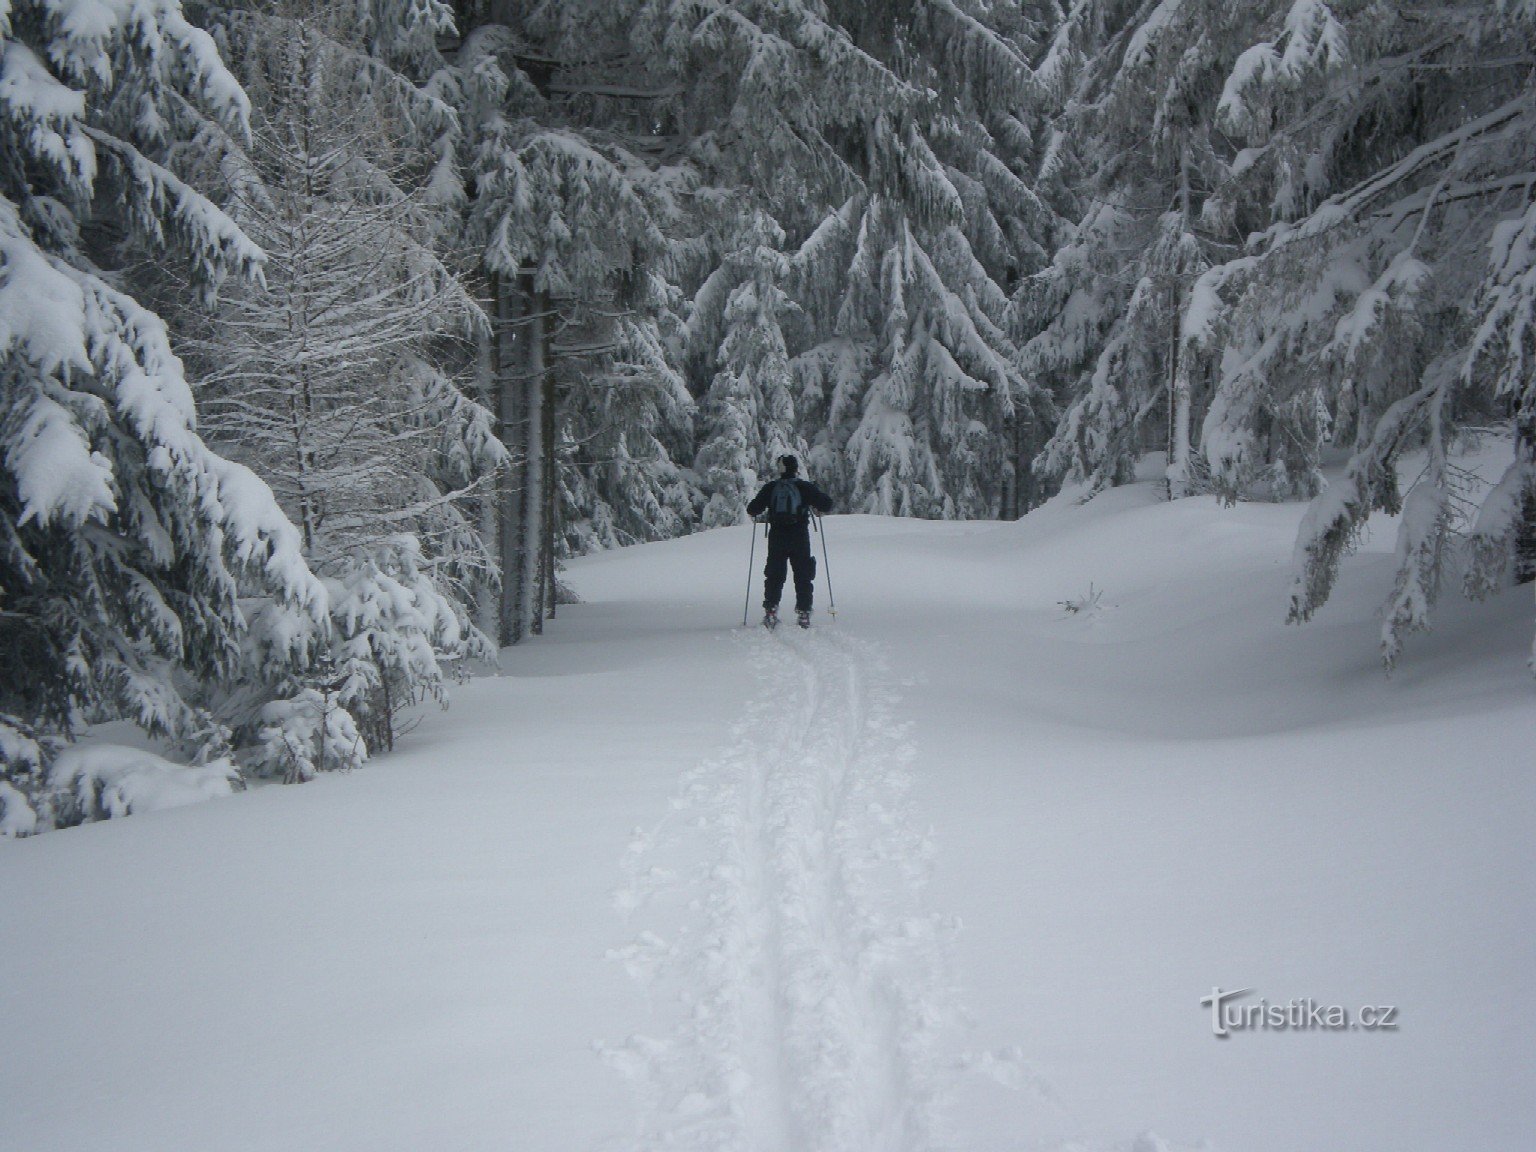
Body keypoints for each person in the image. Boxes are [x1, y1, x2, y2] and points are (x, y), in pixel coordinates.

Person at [746, 455, 833, 628]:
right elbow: (826, 504)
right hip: (799, 536)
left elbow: (753, 509)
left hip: (777, 536)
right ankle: (804, 613)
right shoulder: (803, 487)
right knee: (803, 574)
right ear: (795, 468)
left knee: (774, 574)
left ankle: (770, 610)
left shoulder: (771, 487)